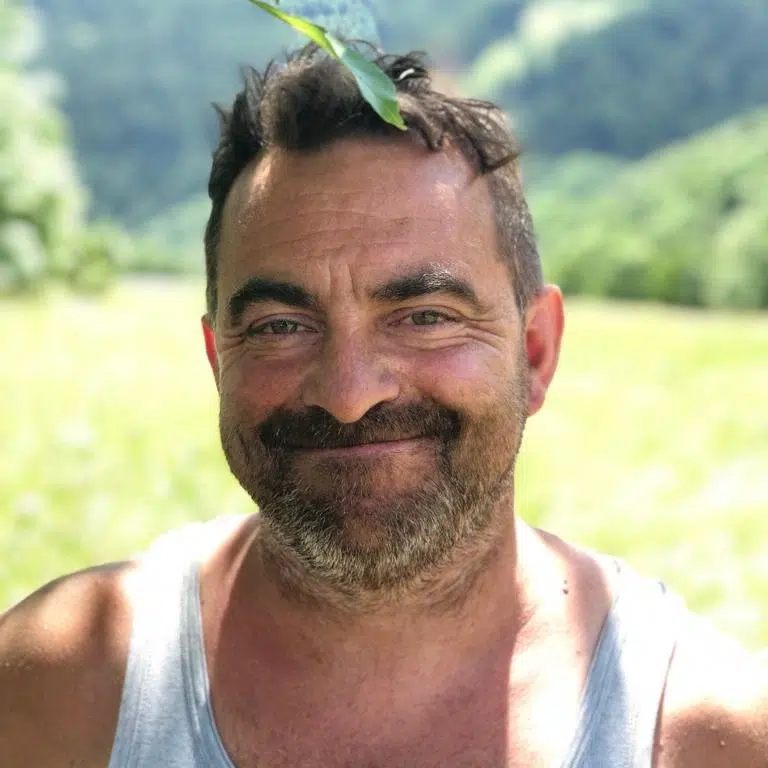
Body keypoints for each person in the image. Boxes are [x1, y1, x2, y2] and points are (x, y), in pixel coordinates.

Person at [1, 43, 766, 768]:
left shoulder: (710, 733)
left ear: (535, 351)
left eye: (425, 315)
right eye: (280, 327)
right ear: (217, 360)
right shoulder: (57, 691)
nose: (348, 392)